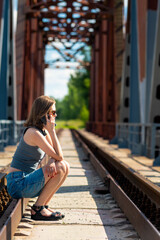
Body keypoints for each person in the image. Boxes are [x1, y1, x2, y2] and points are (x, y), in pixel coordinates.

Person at [6, 95, 69, 221]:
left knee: (65, 166)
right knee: (61, 166)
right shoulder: (33, 133)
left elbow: (55, 154)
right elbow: (59, 156)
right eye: (53, 112)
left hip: (26, 179)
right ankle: (38, 209)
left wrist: (51, 160)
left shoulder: (42, 132)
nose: (55, 115)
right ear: (44, 114)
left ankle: (43, 205)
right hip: (18, 182)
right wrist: (52, 131)